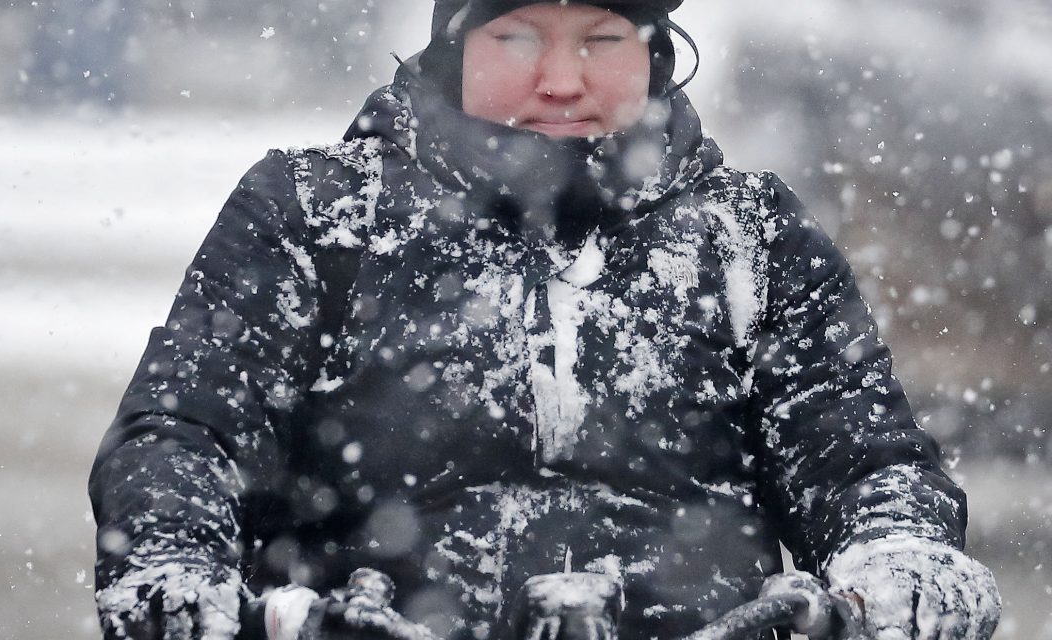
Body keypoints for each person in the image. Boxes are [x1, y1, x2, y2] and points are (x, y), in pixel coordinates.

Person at [88, 2, 1003, 639]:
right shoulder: (314, 212)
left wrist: (898, 547)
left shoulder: (750, 233)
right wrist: (177, 553)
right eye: (518, 33)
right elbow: (188, 429)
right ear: (454, 46)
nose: (561, 79)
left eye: (603, 37)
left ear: (655, 54)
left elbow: (861, 453)